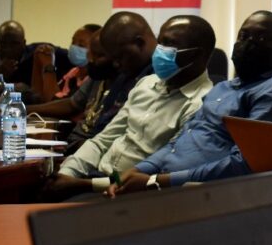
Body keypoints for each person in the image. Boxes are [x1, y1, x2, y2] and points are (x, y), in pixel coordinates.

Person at [109, 11, 272, 194]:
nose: (248, 43)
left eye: (260, 38)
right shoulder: (225, 87)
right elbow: (179, 141)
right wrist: (141, 169)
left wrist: (158, 181)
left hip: (207, 195)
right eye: (243, 36)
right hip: (168, 185)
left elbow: (245, 164)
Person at [46, 14, 215, 197]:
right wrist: (67, 173)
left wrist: (83, 184)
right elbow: (103, 140)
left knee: (51, 217)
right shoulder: (146, 84)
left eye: (168, 44)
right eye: (160, 42)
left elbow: (159, 174)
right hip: (95, 174)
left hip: (128, 193)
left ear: (197, 54)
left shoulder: (201, 104)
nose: (159, 50)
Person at [28, 29, 119, 149]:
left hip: (85, 147)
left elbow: (52, 99)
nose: (91, 59)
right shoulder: (95, 76)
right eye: (91, 53)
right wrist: (25, 109)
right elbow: (71, 103)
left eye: (98, 55)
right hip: (73, 142)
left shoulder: (123, 86)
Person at [0, 20, 71, 87]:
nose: (7, 49)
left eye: (14, 44)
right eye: (2, 43)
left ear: (24, 43)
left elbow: (72, 59)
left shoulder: (38, 53)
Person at [48, 23, 103, 101]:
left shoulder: (94, 79)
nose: (74, 47)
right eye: (73, 42)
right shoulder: (72, 73)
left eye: (81, 45)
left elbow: (67, 104)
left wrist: (48, 66)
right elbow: (53, 97)